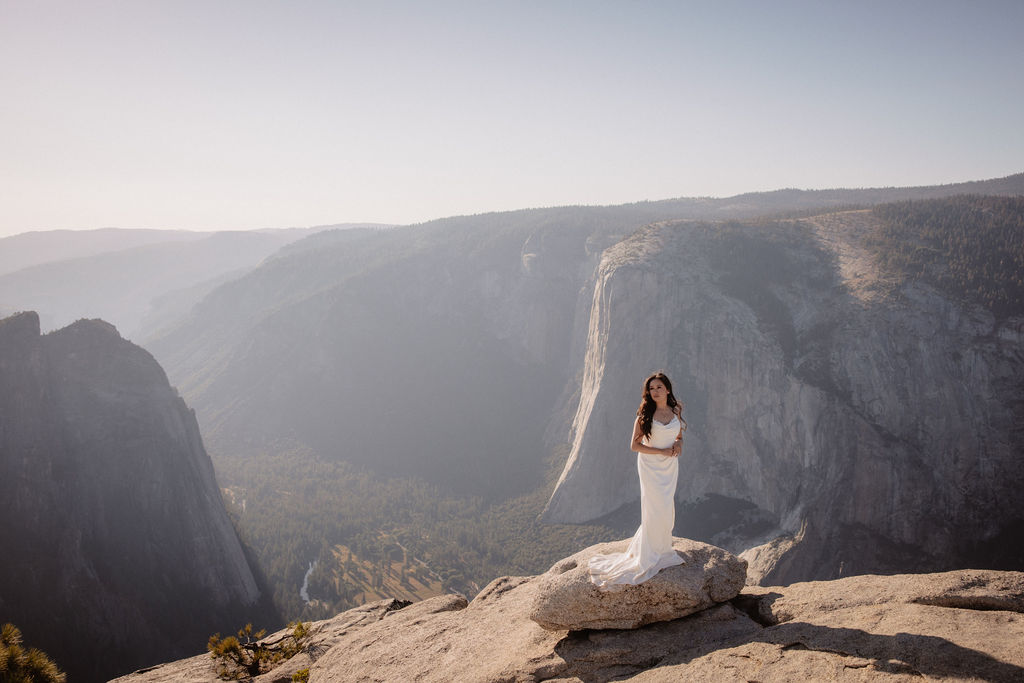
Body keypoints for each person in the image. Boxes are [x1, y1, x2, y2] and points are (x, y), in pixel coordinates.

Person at [588, 371, 687, 588]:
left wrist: (678, 445)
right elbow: (635, 446)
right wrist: (661, 451)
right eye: (651, 388)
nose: (655, 391)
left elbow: (678, 435)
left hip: (670, 465)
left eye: (659, 387)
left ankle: (662, 549)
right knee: (654, 507)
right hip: (651, 465)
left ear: (668, 389)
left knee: (666, 507)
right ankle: (649, 554)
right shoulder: (645, 417)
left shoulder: (676, 409)